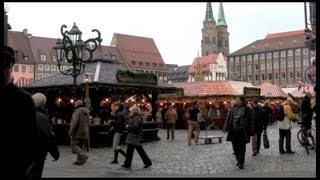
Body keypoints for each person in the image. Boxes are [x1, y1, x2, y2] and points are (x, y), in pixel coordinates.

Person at [2, 45, 41, 179]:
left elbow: (31, 137)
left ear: (10, 68)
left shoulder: (23, 99)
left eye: (5, 66)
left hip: (13, 167)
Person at [31, 93, 60, 178]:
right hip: (38, 155)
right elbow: (49, 137)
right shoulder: (43, 117)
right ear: (44, 104)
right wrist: (55, 154)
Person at [223, 96, 254, 169]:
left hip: (243, 131)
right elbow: (228, 118)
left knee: (242, 147)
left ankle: (241, 162)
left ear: (242, 101)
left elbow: (251, 120)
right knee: (235, 147)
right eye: (235, 99)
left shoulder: (247, 109)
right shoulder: (233, 109)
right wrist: (225, 127)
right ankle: (238, 160)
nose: (236, 101)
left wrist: (251, 130)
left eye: (237, 99)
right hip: (233, 131)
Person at [69, 100, 90, 165]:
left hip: (78, 131)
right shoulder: (86, 112)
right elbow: (88, 122)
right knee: (80, 145)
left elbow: (74, 122)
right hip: (85, 131)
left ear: (76, 105)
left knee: (74, 145)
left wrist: (70, 131)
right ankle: (79, 161)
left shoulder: (77, 111)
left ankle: (83, 155)